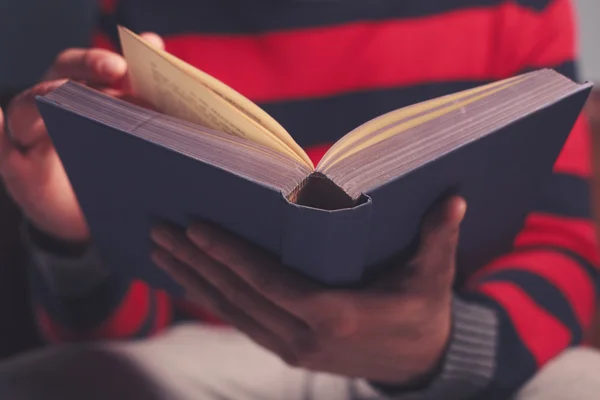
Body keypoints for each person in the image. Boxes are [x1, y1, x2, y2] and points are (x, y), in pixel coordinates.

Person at [1, 0, 600, 399]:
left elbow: (564, 245)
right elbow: (123, 334)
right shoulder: (140, 12)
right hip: (224, 356)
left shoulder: (519, 8)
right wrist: (75, 232)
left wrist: (442, 351)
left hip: (460, 358)